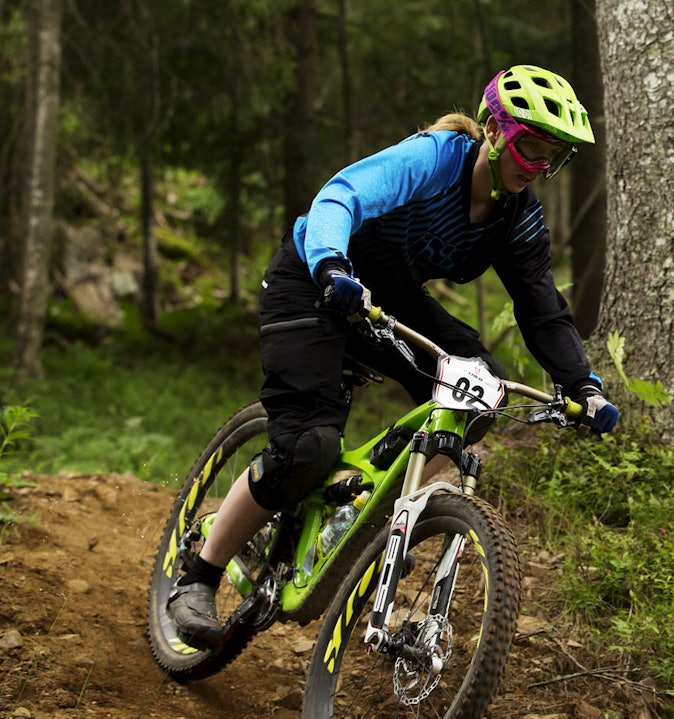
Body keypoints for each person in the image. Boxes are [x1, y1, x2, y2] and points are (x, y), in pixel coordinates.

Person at [166, 64, 620, 648]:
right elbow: (341, 196)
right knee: (307, 447)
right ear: (494, 130)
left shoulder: (518, 217)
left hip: (388, 299)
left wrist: (583, 385)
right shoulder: (435, 158)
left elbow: (543, 310)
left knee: (481, 391)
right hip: (314, 277)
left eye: (552, 156)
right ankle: (197, 576)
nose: (538, 166)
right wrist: (331, 264)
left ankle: (369, 524)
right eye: (531, 146)